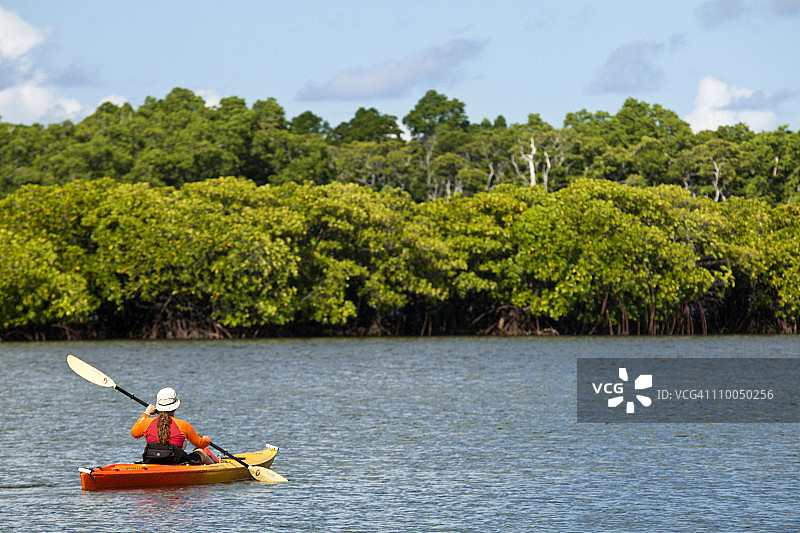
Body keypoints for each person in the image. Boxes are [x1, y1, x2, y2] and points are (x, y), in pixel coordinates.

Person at [131, 387, 218, 465]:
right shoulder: (183, 425)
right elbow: (200, 444)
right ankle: (215, 467)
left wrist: (146, 413)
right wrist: (207, 440)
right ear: (175, 407)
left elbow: (134, 433)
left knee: (183, 443)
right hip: (175, 460)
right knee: (201, 452)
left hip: (152, 459)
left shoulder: (147, 423)